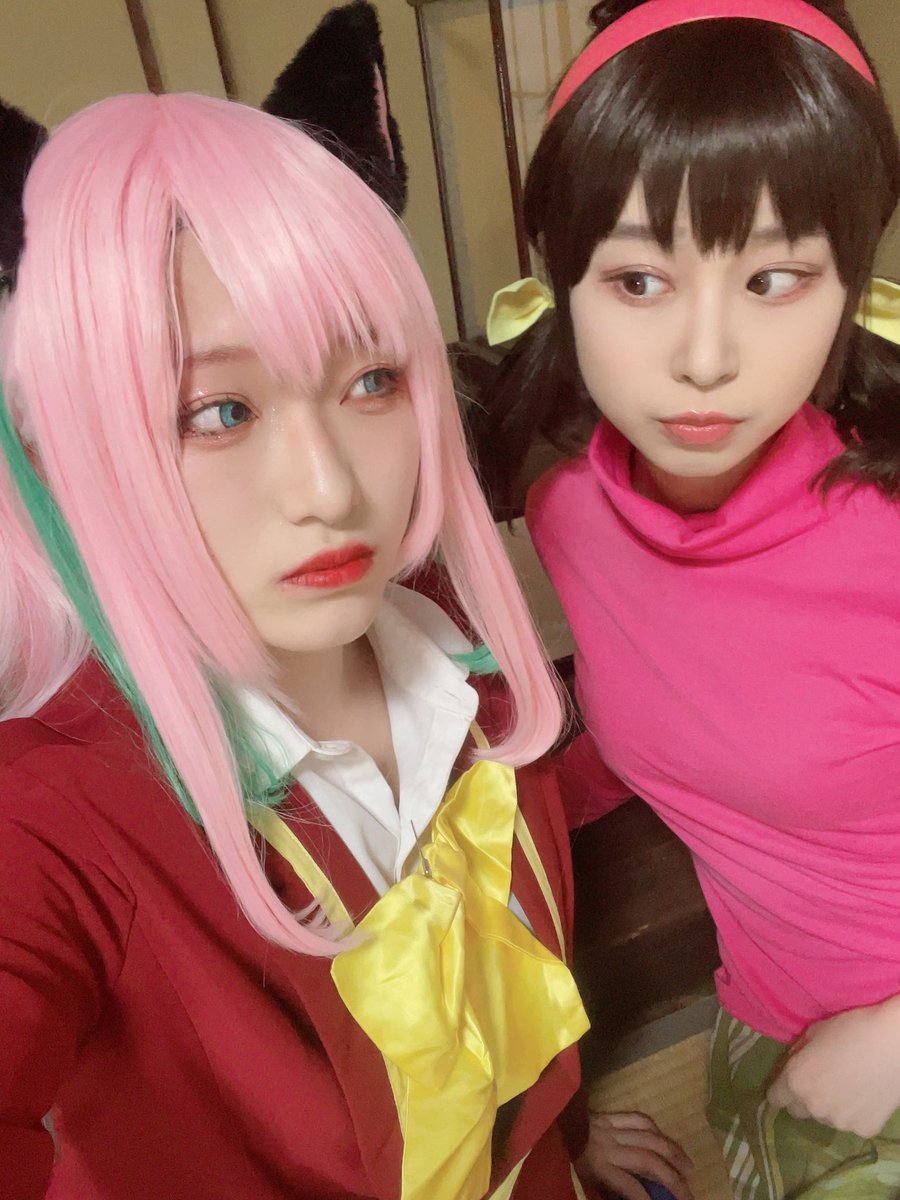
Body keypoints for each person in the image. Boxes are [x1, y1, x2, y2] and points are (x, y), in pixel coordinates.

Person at [0, 90, 614, 1200]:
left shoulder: (458, 653)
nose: (330, 490)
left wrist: (561, 1126)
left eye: (371, 382)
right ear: (63, 456)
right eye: (217, 413)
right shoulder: (54, 816)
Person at [482, 1, 900, 1197]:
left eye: (773, 278)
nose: (705, 357)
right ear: (560, 279)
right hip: (758, 1019)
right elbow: (673, 708)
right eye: (639, 279)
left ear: (849, 284)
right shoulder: (570, 506)